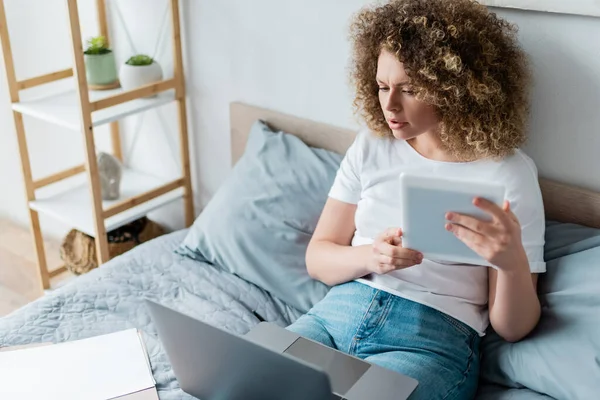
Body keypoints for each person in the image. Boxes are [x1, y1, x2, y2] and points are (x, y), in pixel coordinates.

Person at [286, 1, 546, 399]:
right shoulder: (371, 145)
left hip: (430, 340)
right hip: (334, 315)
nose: (389, 106)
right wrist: (370, 257)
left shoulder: (507, 173)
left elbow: (513, 328)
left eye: (410, 90)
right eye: (382, 86)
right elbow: (318, 258)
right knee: (248, 379)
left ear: (457, 88)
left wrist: (511, 263)